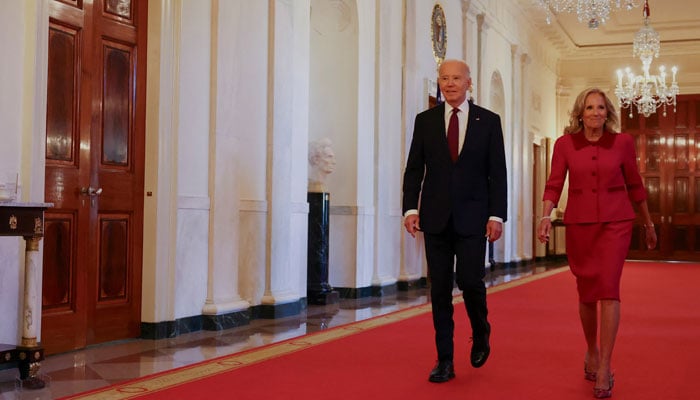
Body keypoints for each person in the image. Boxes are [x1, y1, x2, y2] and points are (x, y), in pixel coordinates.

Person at [536, 88, 657, 398]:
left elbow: (634, 183)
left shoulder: (622, 143)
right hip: (580, 225)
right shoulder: (564, 145)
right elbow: (553, 182)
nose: (595, 112)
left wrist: (648, 222)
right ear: (580, 113)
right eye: (589, 107)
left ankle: (605, 364)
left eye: (601, 107)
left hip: (616, 223)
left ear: (608, 113)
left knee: (608, 288)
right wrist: (545, 216)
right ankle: (591, 348)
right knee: (587, 291)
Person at [402, 59, 507, 383]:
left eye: (456, 78)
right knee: (440, 290)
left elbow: (497, 173)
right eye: (444, 78)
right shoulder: (426, 120)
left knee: (472, 281)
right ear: (439, 81)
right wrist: (410, 209)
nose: (450, 83)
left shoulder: (488, 121)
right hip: (435, 218)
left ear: (468, 82)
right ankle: (444, 359)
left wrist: (495, 215)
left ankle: (481, 330)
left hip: (474, 218)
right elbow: (415, 169)